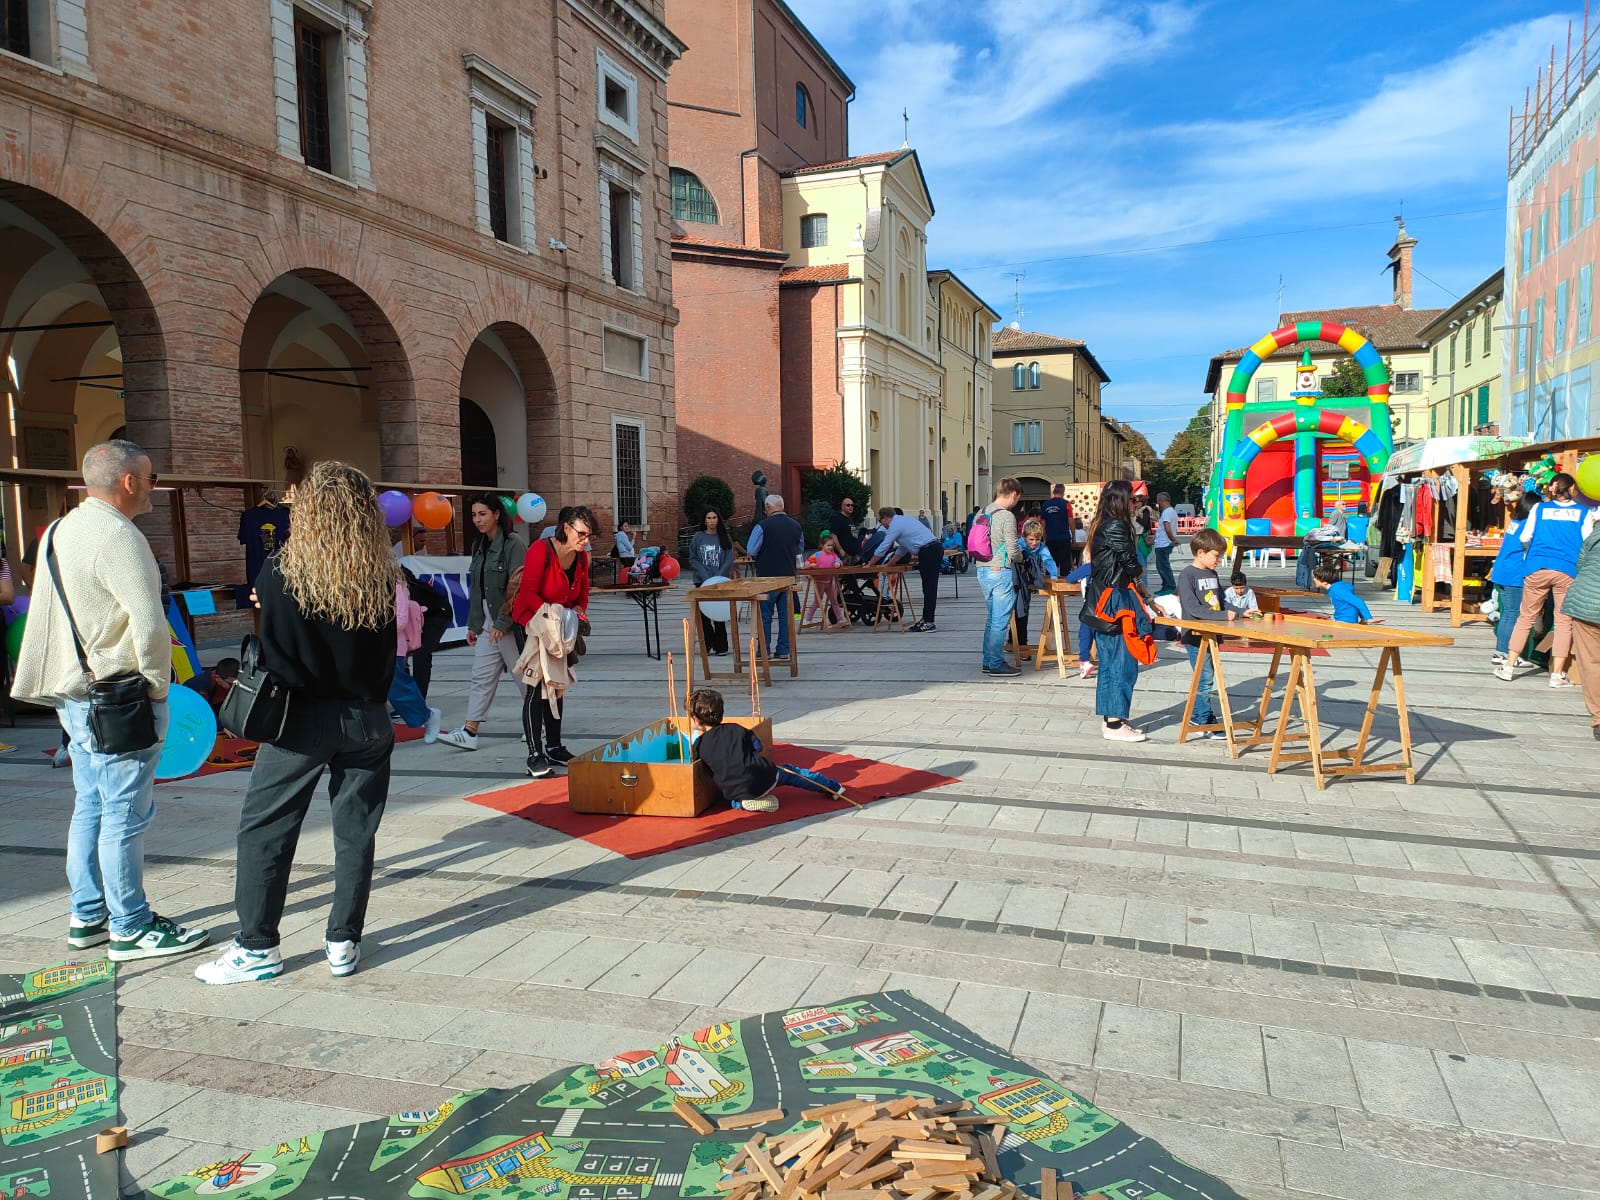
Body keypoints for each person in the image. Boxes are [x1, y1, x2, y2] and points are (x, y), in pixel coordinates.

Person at [194, 461, 399, 985]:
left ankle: (256, 945)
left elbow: (276, 648)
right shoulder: (379, 575)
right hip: (368, 719)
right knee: (356, 833)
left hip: (299, 720)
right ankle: (344, 941)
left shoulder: (281, 571)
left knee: (266, 829)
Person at [13, 439, 211, 961]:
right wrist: (158, 686)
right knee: (124, 812)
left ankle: (88, 915)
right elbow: (149, 622)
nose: (152, 486)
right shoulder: (120, 536)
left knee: (91, 806)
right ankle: (130, 925)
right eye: (150, 477)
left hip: (77, 692)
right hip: (119, 694)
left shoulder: (62, 529)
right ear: (129, 482)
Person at [438, 495, 527, 751]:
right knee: (481, 675)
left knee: (523, 676)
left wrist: (502, 622)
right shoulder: (479, 545)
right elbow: (478, 589)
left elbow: (518, 585)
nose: (477, 520)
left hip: (511, 621)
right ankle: (470, 730)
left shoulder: (513, 543)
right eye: (474, 515)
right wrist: (474, 625)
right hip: (488, 621)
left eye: (483, 514)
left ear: (497, 514)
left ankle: (538, 723)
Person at [512, 504, 593, 777]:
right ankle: (534, 755)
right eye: (581, 534)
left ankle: (554, 746)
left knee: (557, 684)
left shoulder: (580, 558)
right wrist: (550, 617)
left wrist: (578, 611)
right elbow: (528, 593)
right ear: (566, 528)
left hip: (560, 627)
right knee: (536, 687)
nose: (585, 540)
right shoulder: (541, 550)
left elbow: (583, 593)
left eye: (589, 535)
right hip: (532, 622)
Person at [1496, 473, 1596, 686]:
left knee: (1526, 617)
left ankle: (1509, 666)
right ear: (1572, 489)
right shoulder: (1583, 512)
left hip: (1537, 566)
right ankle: (1557, 675)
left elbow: (1525, 537)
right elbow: (1588, 542)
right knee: (1563, 622)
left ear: (1552, 488)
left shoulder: (1538, 508)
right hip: (1567, 569)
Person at [1081, 479, 1149, 740]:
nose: (1136, 504)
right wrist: (1139, 573)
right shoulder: (1115, 525)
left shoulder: (1105, 523)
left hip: (1108, 597)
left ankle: (1113, 718)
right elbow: (1130, 561)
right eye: (1133, 499)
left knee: (1113, 661)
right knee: (1121, 661)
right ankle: (1114, 723)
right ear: (1121, 500)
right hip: (1114, 600)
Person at [688, 688, 781, 813]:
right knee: (791, 773)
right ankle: (810, 781)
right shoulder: (735, 728)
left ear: (696, 720)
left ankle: (741, 804)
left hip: (734, 791)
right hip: (764, 776)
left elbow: (694, 764)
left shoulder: (698, 744)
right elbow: (758, 746)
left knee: (721, 799)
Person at [1177, 528, 1227, 738]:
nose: (1219, 560)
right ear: (1200, 552)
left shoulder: (1212, 574)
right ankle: (1203, 718)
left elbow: (1222, 601)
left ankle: (1200, 715)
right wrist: (1223, 616)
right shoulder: (1187, 575)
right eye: (1216, 555)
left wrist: (1242, 611)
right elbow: (1192, 607)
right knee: (1204, 677)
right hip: (1195, 635)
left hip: (1211, 634)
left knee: (1208, 675)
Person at [745, 494, 803, 660]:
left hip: (766, 578)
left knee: (765, 616)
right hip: (788, 576)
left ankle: (764, 650)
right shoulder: (796, 526)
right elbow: (799, 549)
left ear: (768, 507)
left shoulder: (762, 526)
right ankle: (783, 649)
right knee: (785, 616)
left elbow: (751, 550)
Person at [867, 505, 942, 632]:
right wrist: (888, 565)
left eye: (880, 520)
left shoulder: (895, 525)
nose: (881, 524)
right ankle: (926, 618)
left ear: (885, 518)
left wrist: (870, 564)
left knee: (929, 588)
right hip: (931, 549)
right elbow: (901, 550)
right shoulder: (903, 521)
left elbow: (884, 546)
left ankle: (929, 622)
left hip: (929, 551)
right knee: (927, 588)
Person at [977, 477, 1023, 677]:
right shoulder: (1006, 516)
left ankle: (988, 661)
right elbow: (1013, 548)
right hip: (999, 571)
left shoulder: (982, 512)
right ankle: (996, 663)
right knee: (1000, 621)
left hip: (982, 570)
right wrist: (1022, 558)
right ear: (1013, 494)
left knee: (991, 619)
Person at [1560, 519, 1600, 741]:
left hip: (1585, 601)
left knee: (1592, 663)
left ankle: (1599, 718)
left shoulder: (1597, 531)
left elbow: (1581, 563)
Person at [387, 578, 441, 741]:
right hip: (370, 646)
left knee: (397, 687)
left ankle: (427, 715)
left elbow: (401, 620)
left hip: (392, 645)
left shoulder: (396, 586)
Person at [1489, 493, 1539, 668]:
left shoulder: (1515, 522)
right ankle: (1507, 653)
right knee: (1513, 615)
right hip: (1514, 573)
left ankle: (1500, 652)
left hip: (1502, 570)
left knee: (1507, 614)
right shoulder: (1527, 526)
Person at [689, 509, 735, 655]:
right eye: (709, 518)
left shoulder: (724, 537)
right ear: (705, 520)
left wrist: (718, 576)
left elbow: (729, 559)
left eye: (714, 517)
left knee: (718, 614)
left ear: (718, 519)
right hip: (701, 581)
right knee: (703, 615)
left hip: (719, 581)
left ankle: (721, 646)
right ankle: (707, 644)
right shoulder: (698, 537)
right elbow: (693, 558)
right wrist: (704, 575)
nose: (711, 521)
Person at [403, 566, 451, 698]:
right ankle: (410, 696)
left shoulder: (401, 583)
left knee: (421, 653)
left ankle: (417, 698)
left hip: (436, 614)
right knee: (400, 655)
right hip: (418, 613)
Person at [1012, 517, 1060, 645]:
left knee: (1023, 608)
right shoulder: (1019, 545)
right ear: (1024, 537)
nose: (1034, 543)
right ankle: (1015, 638)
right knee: (1018, 608)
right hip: (1019, 578)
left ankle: (1017, 639)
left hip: (1032, 577)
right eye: (1031, 539)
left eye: (1037, 540)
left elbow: (1048, 561)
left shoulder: (1042, 547)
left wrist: (1054, 575)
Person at [1311, 561, 1380, 624]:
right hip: (1343, 619)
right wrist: (1362, 618)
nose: (1314, 579)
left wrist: (1368, 618)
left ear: (1325, 582)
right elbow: (1352, 603)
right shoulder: (1338, 588)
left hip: (1344, 621)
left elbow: (1358, 602)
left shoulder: (1337, 590)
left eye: (1316, 577)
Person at [805, 533, 845, 625]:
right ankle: (808, 618)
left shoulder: (833, 555)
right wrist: (811, 565)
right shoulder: (817, 555)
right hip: (819, 581)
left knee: (834, 600)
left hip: (830, 581)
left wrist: (838, 564)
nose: (830, 547)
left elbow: (839, 562)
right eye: (828, 545)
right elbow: (807, 563)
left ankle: (840, 619)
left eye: (831, 545)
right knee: (817, 601)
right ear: (822, 545)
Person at [1040, 484, 1075, 581]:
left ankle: (1050, 584)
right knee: (1065, 564)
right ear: (1063, 492)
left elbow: (1043, 523)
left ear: (1053, 492)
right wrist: (1073, 536)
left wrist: (1044, 538)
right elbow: (1071, 521)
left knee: (1050, 563)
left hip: (1050, 538)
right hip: (1064, 537)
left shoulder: (1045, 505)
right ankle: (1066, 584)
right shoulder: (1066, 504)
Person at [1151, 492, 1179, 593]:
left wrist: (1173, 539)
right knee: (1162, 565)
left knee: (1163, 566)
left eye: (1158, 502)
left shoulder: (1167, 512)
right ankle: (1166, 585)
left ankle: (1169, 586)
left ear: (1161, 501)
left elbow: (1167, 528)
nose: (1158, 504)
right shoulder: (1172, 511)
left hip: (1163, 543)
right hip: (1165, 542)